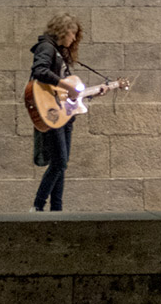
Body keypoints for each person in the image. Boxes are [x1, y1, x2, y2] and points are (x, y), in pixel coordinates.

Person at [29, 13, 106, 213]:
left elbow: (68, 94)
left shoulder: (60, 54)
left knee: (60, 164)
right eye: (72, 34)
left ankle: (57, 210)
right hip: (52, 112)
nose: (73, 39)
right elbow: (39, 71)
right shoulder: (46, 48)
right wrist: (67, 86)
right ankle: (37, 206)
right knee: (60, 162)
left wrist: (89, 93)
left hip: (65, 114)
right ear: (63, 31)